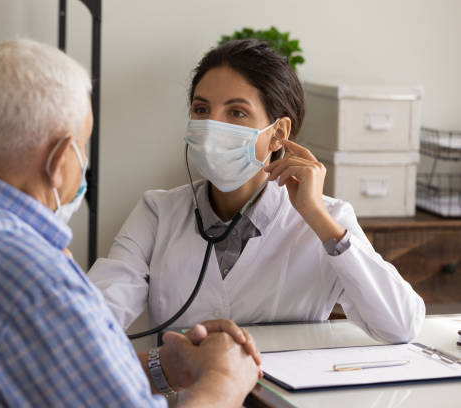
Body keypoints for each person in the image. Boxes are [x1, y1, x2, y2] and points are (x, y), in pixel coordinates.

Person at [0, 39, 261, 407]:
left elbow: (46, 375)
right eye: (83, 145)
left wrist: (165, 365)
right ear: (62, 157)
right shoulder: (33, 281)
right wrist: (223, 380)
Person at [89, 39, 425, 343]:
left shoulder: (328, 219)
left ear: (278, 134)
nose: (212, 127)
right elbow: (94, 318)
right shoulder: (157, 212)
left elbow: (401, 326)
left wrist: (319, 221)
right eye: (201, 109)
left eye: (236, 112)